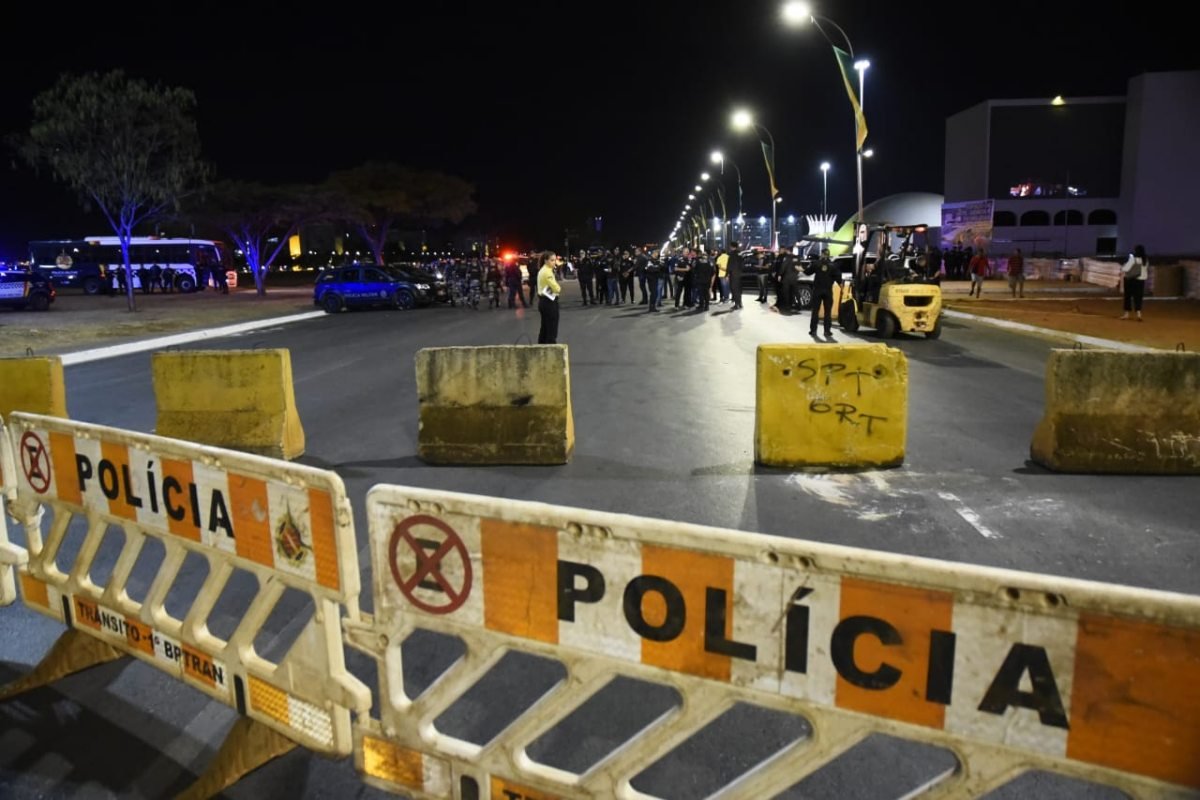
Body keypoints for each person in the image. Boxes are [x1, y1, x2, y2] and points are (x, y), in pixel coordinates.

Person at [805, 248, 841, 337]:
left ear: (822, 254)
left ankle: (813, 331)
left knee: (815, 311)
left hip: (817, 290)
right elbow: (839, 279)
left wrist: (802, 269)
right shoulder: (833, 265)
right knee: (827, 312)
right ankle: (827, 331)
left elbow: (808, 272)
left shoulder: (816, 264)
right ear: (828, 255)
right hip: (828, 291)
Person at [537, 252, 562, 344]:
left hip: (544, 301)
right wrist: (558, 288)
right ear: (545, 260)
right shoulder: (547, 272)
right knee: (551, 328)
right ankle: (551, 348)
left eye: (555, 260)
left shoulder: (543, 270)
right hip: (549, 302)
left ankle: (541, 347)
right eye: (552, 260)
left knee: (545, 328)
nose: (554, 262)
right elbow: (556, 288)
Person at [1120, 244, 1149, 321]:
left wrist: (1123, 266)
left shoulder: (1133, 259)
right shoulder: (1145, 260)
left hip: (1131, 280)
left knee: (1128, 296)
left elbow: (1125, 268)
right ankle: (1138, 314)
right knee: (1138, 297)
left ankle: (1126, 314)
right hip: (1141, 281)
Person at [727, 243, 744, 309]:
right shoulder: (740, 253)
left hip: (733, 274)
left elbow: (730, 265)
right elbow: (742, 263)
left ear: (732, 247)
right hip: (739, 273)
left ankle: (737, 304)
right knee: (739, 289)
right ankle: (740, 303)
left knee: (734, 289)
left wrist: (727, 274)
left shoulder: (732, 254)